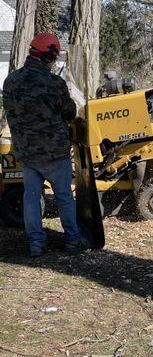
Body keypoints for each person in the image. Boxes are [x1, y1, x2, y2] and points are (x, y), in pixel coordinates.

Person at [3, 33, 89, 257]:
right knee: (63, 196)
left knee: (31, 197)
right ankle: (72, 239)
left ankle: (35, 244)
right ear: (49, 55)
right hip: (53, 151)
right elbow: (69, 112)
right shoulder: (54, 83)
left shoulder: (10, 81)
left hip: (26, 152)